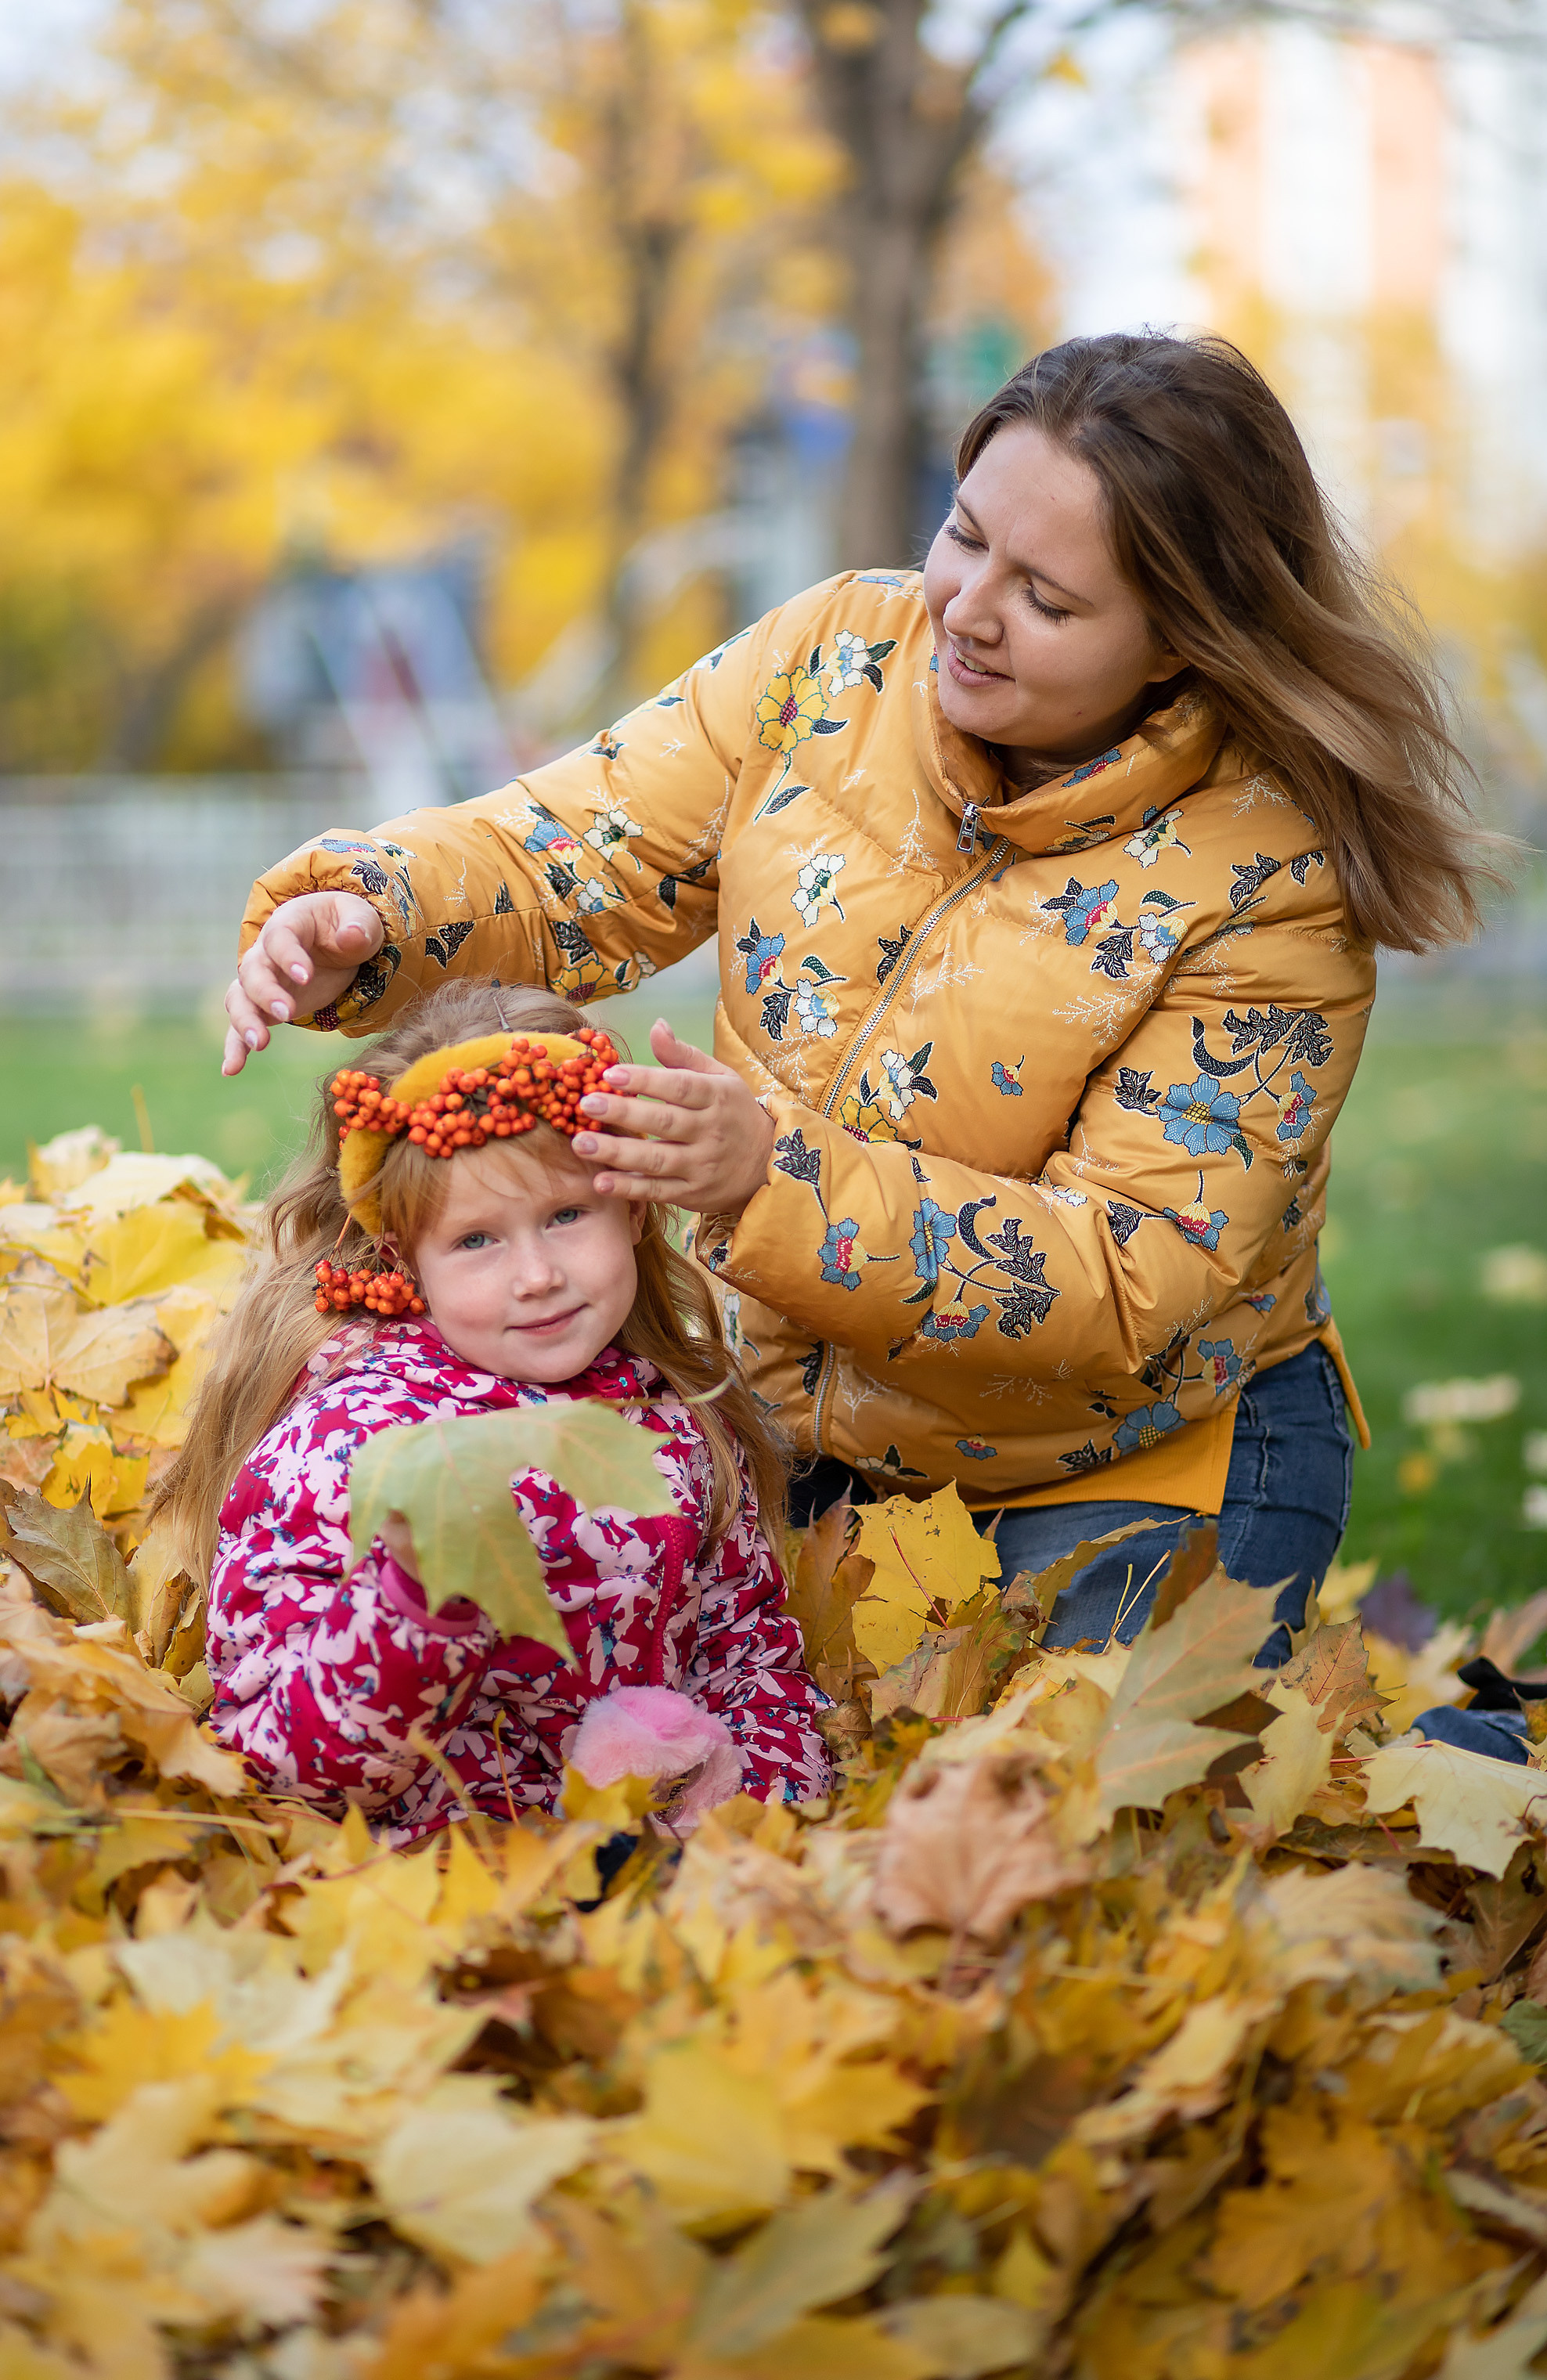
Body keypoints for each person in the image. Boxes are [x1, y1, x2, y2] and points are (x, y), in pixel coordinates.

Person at [222, 332, 1496, 1665]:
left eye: (1047, 601)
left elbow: (1140, 1273)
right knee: (726, 1764)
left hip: (1131, 1462)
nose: (966, 607)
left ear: (1181, 640)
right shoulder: (832, 665)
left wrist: (773, 1183)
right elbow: (577, 849)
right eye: (963, 536)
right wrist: (378, 911)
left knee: (1048, 1824)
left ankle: (1466, 1748)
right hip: (807, 1436)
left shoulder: (1267, 877)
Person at [157, 980, 831, 1843]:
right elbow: (274, 1767)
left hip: (650, 1895)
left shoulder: (678, 1422)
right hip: (439, 1904)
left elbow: (746, 1655)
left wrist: (758, 1807)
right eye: (476, 1239)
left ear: (631, 1209)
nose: (536, 1275)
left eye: (564, 1216)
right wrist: (408, 1609)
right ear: (405, 1255)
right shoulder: (352, 1447)